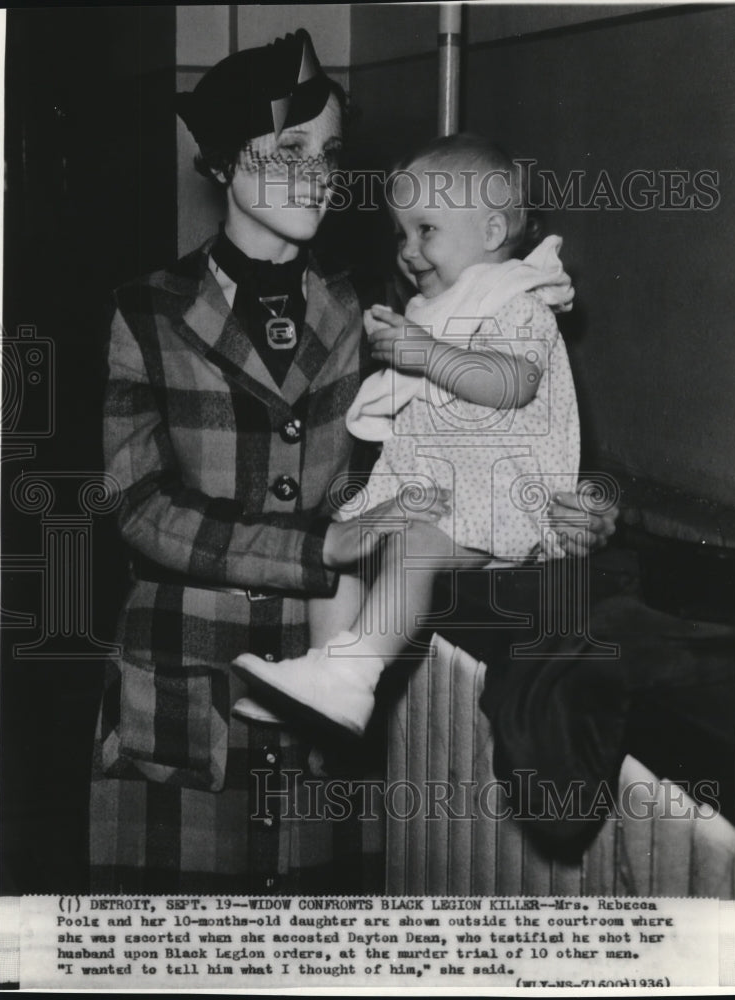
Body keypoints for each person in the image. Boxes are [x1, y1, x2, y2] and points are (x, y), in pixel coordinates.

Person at [90, 31, 616, 893]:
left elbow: (487, 430)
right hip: (190, 674)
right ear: (222, 163)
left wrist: (573, 500)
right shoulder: (146, 313)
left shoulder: (389, 309)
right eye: (289, 149)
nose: (319, 175)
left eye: (329, 153)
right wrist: (316, 549)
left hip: (329, 675)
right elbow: (138, 506)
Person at [233, 134, 582, 738]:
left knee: (414, 546)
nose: (409, 251)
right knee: (340, 541)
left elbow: (510, 384)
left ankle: (355, 670)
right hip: (437, 489)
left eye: (426, 231)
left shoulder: (518, 305)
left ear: (493, 233)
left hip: (500, 497)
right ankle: (326, 676)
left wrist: (424, 352)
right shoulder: (440, 307)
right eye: (401, 234)